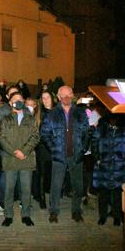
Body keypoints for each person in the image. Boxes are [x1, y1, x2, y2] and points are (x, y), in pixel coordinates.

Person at [40, 85, 89, 223]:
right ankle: (54, 212)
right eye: (63, 95)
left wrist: (83, 149)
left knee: (77, 186)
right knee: (56, 186)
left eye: (69, 95)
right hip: (59, 156)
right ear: (59, 97)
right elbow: (44, 134)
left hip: (76, 156)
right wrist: (54, 148)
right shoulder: (51, 114)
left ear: (73, 95)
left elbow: (87, 132)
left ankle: (76, 211)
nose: (66, 98)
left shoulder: (81, 113)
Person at [0, 92, 39, 227]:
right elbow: (2, 138)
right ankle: (8, 215)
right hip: (11, 159)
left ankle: (26, 215)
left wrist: (24, 151)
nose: (18, 101)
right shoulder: (5, 119)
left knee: (26, 189)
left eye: (20, 99)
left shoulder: (31, 119)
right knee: (9, 189)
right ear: (10, 103)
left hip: (26, 159)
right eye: (15, 100)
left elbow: (35, 137)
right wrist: (15, 152)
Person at [91, 113, 125, 226]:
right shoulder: (101, 129)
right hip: (104, 166)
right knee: (103, 193)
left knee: (117, 193)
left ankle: (117, 216)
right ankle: (102, 216)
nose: (114, 119)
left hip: (119, 166)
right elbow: (94, 143)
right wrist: (97, 158)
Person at [34, 90, 55, 209]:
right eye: (43, 97)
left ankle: (52, 195)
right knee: (41, 174)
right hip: (42, 148)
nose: (46, 99)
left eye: (48, 97)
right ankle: (42, 199)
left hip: (55, 147)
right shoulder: (39, 113)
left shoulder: (57, 111)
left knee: (52, 174)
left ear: (52, 98)